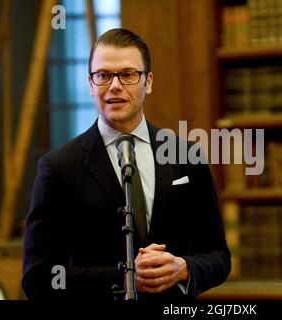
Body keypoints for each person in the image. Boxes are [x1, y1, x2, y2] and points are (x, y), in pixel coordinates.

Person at [22, 28, 231, 300]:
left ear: (148, 82)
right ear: (90, 84)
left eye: (128, 74)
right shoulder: (57, 168)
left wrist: (184, 268)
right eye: (103, 75)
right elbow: (38, 278)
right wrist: (124, 278)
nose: (115, 85)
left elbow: (219, 257)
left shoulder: (186, 156)